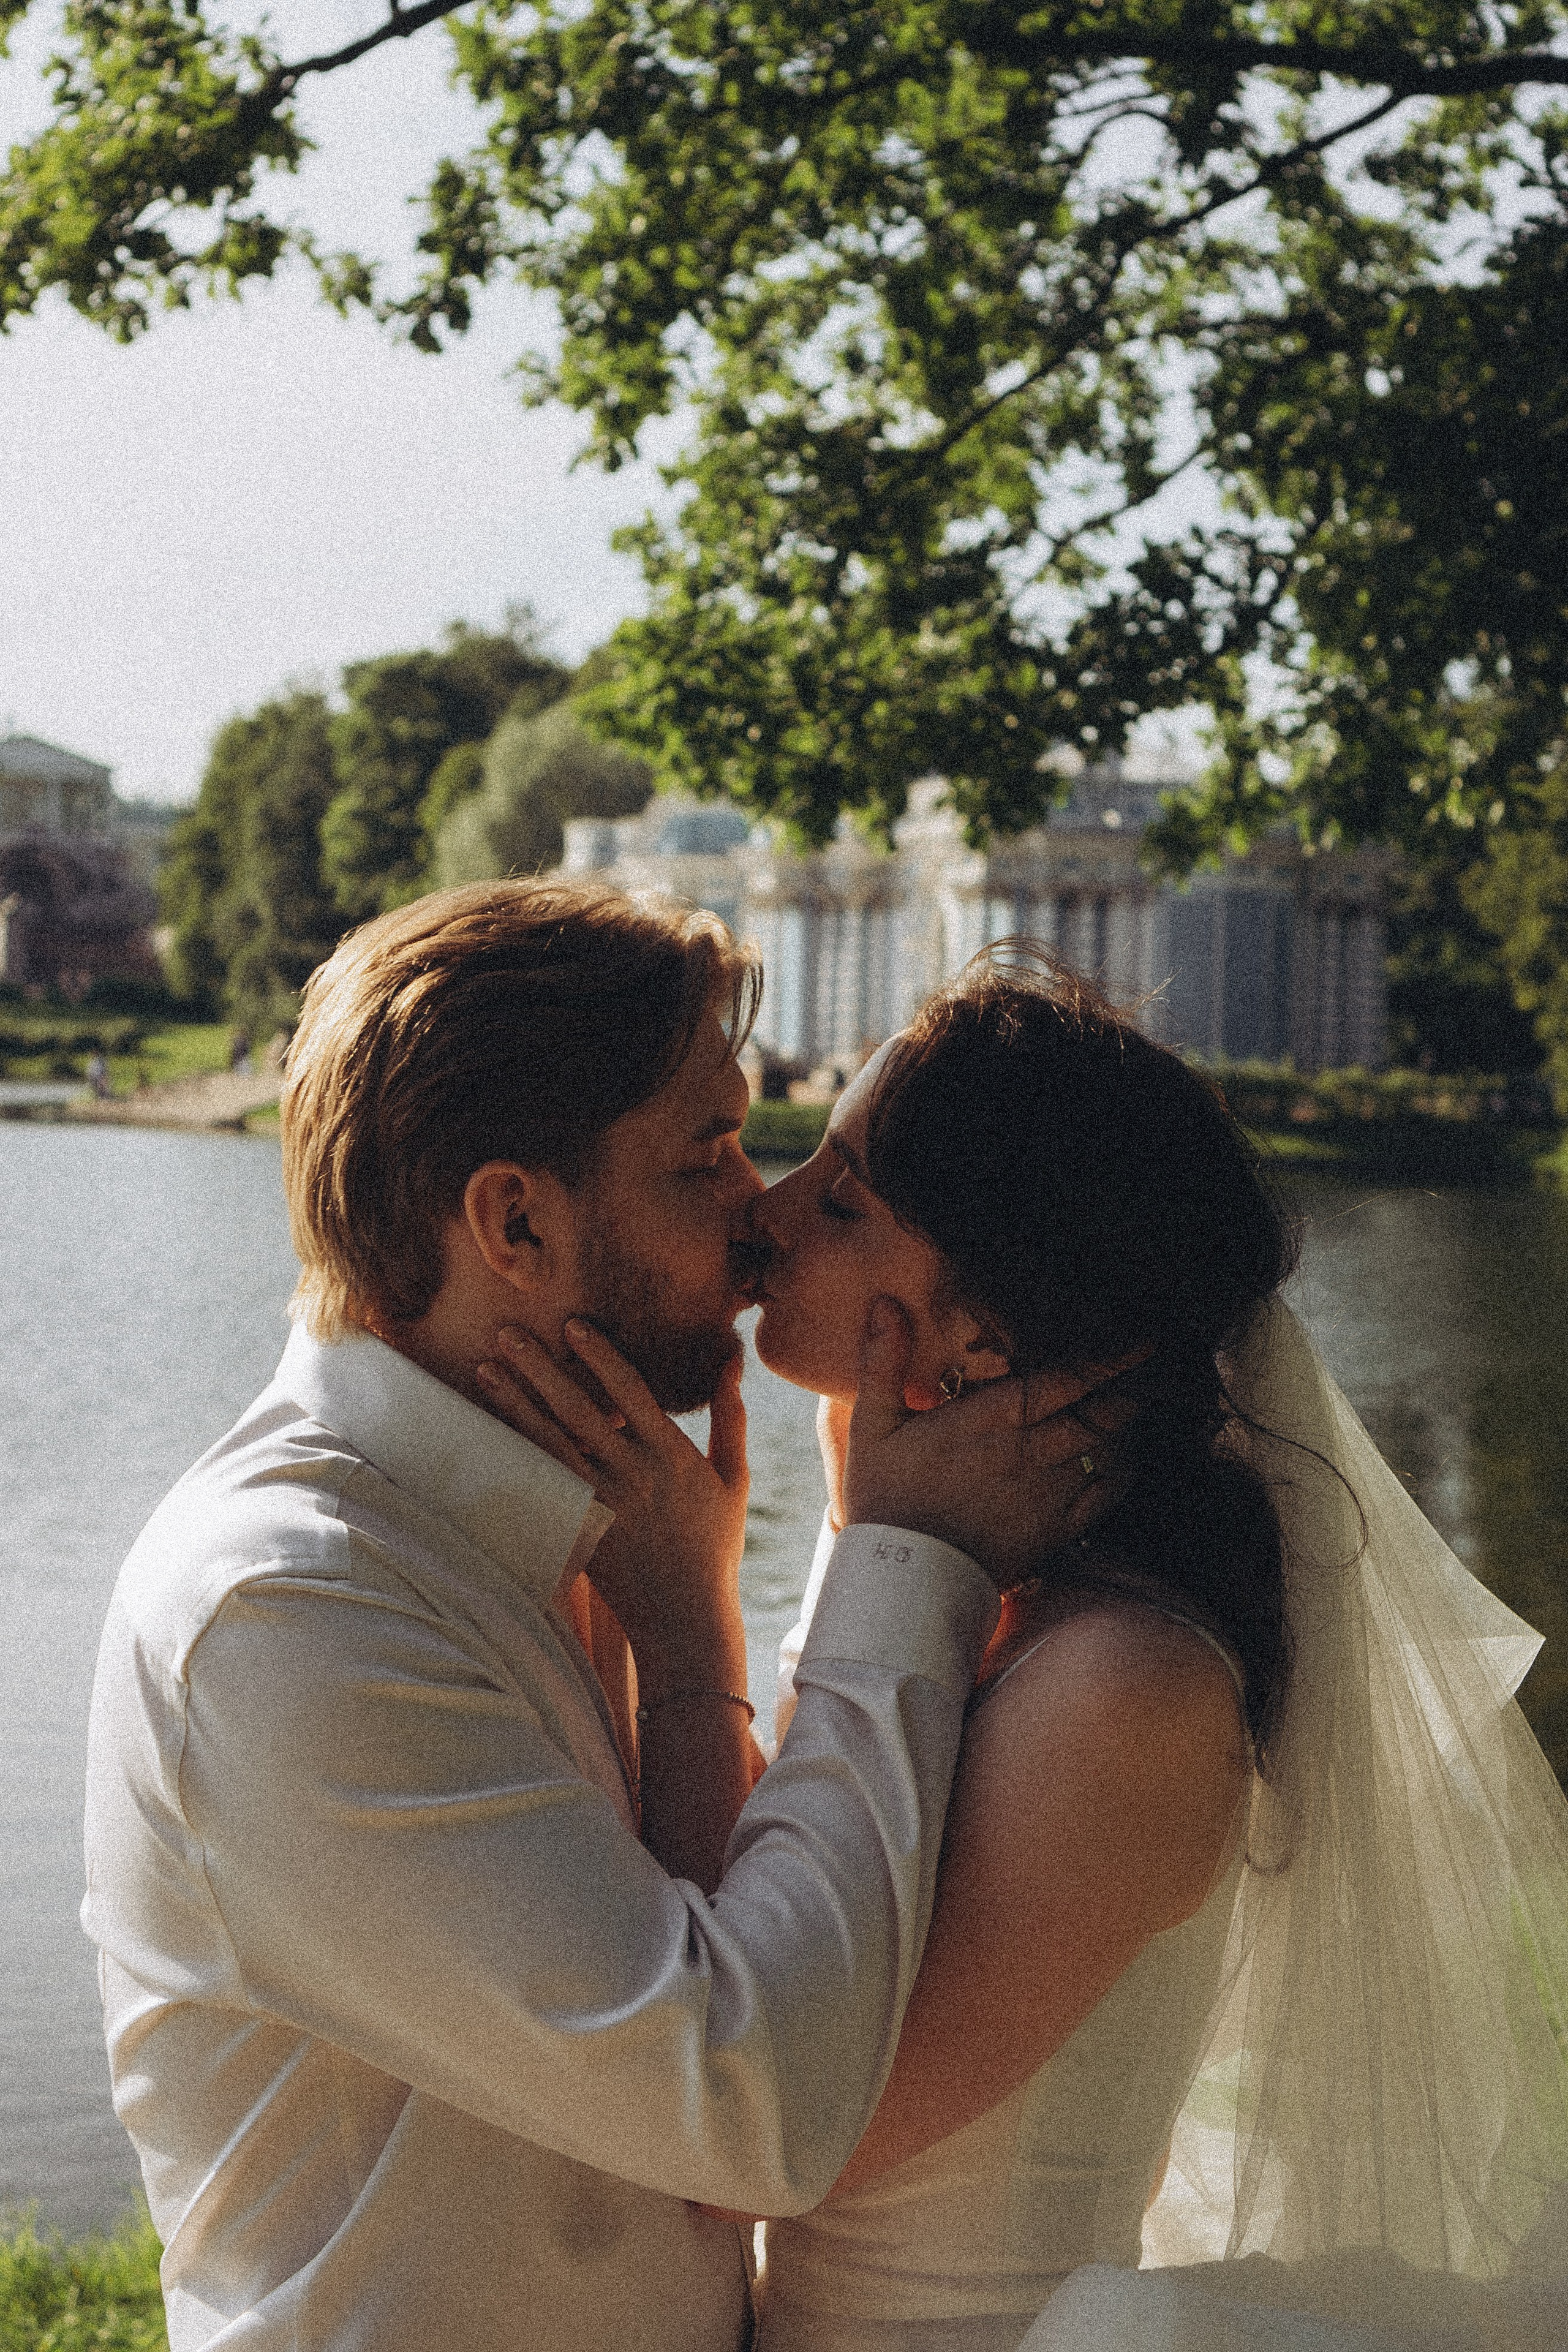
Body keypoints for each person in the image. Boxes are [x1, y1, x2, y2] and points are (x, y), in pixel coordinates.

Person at [81, 882, 1115, 2352]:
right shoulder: (289, 1613)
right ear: (513, 1220)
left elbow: (717, 1966)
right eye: (706, 1156)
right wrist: (903, 1564)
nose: (761, 1215)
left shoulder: (575, 1514)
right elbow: (751, 2107)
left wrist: (694, 1645)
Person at [728, 948, 1568, 2351]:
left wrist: (682, 1618)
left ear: (983, 1338)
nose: (765, 1217)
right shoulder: (964, 1576)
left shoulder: (1127, 1687)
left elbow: (768, 2135)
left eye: (842, 1198)